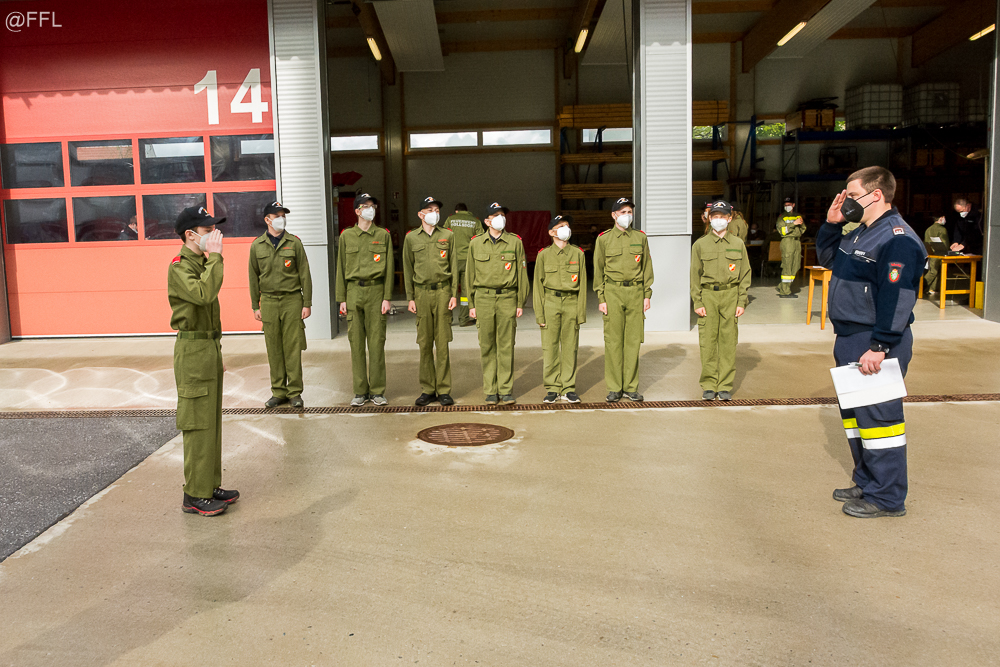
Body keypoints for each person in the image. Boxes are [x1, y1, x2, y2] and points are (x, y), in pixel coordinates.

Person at [817, 166, 926, 519]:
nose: (846, 201)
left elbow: (898, 298)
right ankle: (867, 481)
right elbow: (828, 259)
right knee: (857, 419)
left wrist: (880, 346)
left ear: (876, 194)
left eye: (852, 195)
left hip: (874, 341)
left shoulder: (896, 239)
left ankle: (888, 497)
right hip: (851, 338)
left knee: (881, 422)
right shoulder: (862, 233)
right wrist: (832, 224)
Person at [168, 205, 239, 517]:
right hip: (192, 351)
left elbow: (212, 314)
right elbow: (203, 295)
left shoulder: (201, 263)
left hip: (207, 349)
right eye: (207, 230)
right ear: (190, 235)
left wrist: (217, 351)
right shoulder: (180, 267)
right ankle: (194, 495)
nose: (214, 234)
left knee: (211, 424)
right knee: (197, 424)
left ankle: (209, 485)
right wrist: (217, 258)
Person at [249, 201, 312, 409]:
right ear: (267, 220)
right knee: (274, 348)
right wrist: (255, 306)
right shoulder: (257, 246)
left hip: (291, 300)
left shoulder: (294, 243)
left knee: (292, 347)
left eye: (283, 215)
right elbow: (253, 277)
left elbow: (305, 274)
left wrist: (307, 302)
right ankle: (278, 392)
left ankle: (294, 392)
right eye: (277, 216)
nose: (281, 219)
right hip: (268, 301)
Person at [465, 202, 528, 405]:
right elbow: (469, 275)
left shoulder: (515, 242)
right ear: (487, 221)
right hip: (483, 298)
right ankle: (491, 390)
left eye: (503, 215)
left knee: (506, 345)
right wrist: (471, 304)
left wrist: (520, 302)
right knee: (487, 345)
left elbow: (522, 275)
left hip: (507, 298)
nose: (501, 218)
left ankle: (506, 389)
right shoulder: (476, 243)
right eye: (496, 215)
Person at [336, 193, 394, 407]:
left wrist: (387, 297)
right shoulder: (346, 236)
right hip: (353, 292)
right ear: (357, 211)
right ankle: (360, 391)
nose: (371, 209)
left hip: (376, 292)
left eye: (373, 206)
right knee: (357, 344)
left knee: (377, 343)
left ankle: (377, 391)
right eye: (366, 206)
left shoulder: (383, 235)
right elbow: (340, 268)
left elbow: (389, 269)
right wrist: (341, 298)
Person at [594, 197, 654, 403]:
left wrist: (647, 294)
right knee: (613, 342)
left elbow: (647, 268)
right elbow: (598, 270)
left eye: (629, 212)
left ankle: (630, 387)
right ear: (614, 215)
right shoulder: (603, 239)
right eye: (622, 212)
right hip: (613, 292)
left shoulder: (640, 237)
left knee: (633, 342)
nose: (627, 216)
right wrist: (601, 297)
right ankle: (614, 388)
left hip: (635, 293)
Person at [690, 200, 751, 401]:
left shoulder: (738, 244)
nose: (718, 220)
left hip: (730, 295)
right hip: (708, 295)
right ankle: (709, 385)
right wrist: (697, 302)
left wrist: (741, 301)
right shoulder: (700, 244)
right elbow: (694, 276)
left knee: (728, 342)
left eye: (722, 216)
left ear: (729, 218)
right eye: (715, 216)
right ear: (709, 218)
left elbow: (745, 274)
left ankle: (724, 385)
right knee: (708, 342)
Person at [403, 196, 459, 407]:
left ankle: (443, 390)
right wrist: (410, 297)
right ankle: (427, 389)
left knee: (442, 343)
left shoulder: (448, 235)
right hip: (422, 293)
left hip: (443, 292)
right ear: (420, 214)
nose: (434, 213)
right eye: (430, 210)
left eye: (436, 210)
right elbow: (407, 269)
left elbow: (454, 266)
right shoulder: (411, 238)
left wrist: (454, 294)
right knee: (425, 343)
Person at [533, 214, 587, 404]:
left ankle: (568, 388)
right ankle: (552, 388)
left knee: (570, 347)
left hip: (571, 302)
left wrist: (581, 313)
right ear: (551, 232)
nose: (566, 229)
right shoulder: (543, 255)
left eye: (567, 225)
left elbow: (583, 285)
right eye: (561, 226)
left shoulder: (578, 254)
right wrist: (539, 314)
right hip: (550, 302)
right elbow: (538, 286)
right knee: (550, 347)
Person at [443, 202, 484, 326]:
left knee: (449, 290)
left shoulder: (450, 220)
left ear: (456, 211)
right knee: (466, 292)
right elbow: (481, 241)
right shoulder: (475, 221)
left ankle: (447, 319)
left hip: (452, 260)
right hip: (468, 260)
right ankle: (464, 319)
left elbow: (443, 237)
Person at [776, 197, 805, 298]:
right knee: (787, 265)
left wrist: (798, 228)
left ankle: (782, 286)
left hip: (797, 241)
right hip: (788, 241)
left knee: (796, 265)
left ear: (793, 205)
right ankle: (785, 291)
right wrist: (793, 224)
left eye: (789, 205)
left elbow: (803, 228)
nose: (787, 206)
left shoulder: (798, 216)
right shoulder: (782, 217)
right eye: (785, 205)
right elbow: (782, 231)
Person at [923, 215, 949, 296]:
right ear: (941, 218)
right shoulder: (942, 229)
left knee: (934, 271)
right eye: (944, 218)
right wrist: (948, 251)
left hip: (931, 252)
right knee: (934, 272)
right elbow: (945, 243)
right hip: (940, 253)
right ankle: (922, 286)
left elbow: (926, 241)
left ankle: (932, 288)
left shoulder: (928, 229)